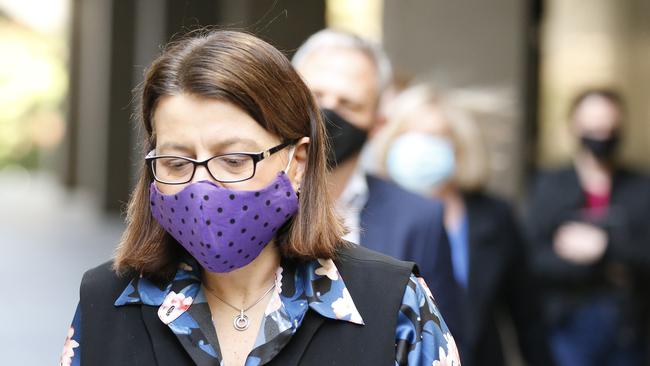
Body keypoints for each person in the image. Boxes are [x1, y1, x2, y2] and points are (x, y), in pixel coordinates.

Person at [59, 30, 460, 366]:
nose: (203, 186)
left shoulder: (392, 304)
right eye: (177, 162)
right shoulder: (106, 301)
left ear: (297, 161)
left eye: (234, 160)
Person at [292, 29, 462, 341]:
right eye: (314, 96)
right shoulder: (249, 198)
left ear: (377, 123)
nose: (326, 112)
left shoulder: (419, 218)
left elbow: (440, 341)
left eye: (349, 104)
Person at [373, 83, 554, 366]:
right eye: (412, 135)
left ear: (457, 146)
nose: (423, 147)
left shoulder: (494, 216)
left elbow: (527, 317)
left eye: (436, 136)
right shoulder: (371, 211)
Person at [525, 89, 650, 365]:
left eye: (607, 126)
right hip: (566, 325)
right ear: (574, 126)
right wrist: (605, 266)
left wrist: (602, 248)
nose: (600, 134)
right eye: (592, 126)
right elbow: (532, 257)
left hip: (630, 326)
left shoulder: (641, 188)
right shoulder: (549, 186)